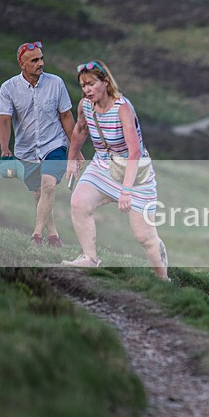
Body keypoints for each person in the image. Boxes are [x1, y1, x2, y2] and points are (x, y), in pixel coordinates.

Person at [62, 60, 168, 280]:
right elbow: (80, 131)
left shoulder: (123, 108)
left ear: (106, 82)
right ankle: (89, 259)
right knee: (78, 202)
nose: (87, 90)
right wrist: (72, 159)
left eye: (91, 84)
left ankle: (163, 280)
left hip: (136, 174)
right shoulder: (85, 105)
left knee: (144, 237)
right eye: (83, 85)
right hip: (102, 166)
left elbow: (135, 152)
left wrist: (126, 191)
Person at [0, 41, 83, 246]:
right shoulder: (8, 88)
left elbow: (65, 116)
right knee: (39, 193)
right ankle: (53, 235)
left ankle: (36, 235)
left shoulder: (56, 83)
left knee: (49, 184)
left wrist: (75, 148)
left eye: (41, 58)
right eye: (34, 60)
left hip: (55, 144)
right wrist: (4, 149)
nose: (41, 63)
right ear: (22, 64)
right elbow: (5, 120)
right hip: (26, 150)